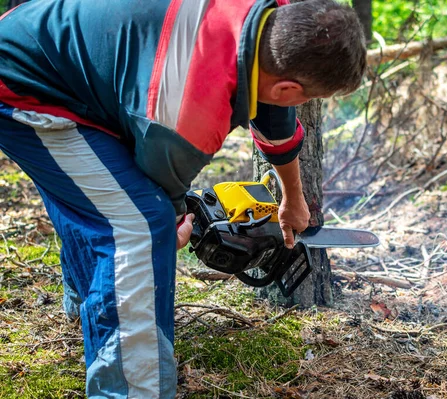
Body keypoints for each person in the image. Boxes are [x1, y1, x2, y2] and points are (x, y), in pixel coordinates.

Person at [0, 0, 366, 397]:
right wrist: (173, 223)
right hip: (24, 82)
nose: (295, 106)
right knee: (139, 225)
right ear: (287, 88)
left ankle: (91, 305)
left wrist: (293, 198)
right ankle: (131, 389)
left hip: (68, 56)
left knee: (105, 198)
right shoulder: (182, 118)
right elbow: (157, 198)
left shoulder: (268, 22)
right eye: (300, 99)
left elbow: (274, 115)